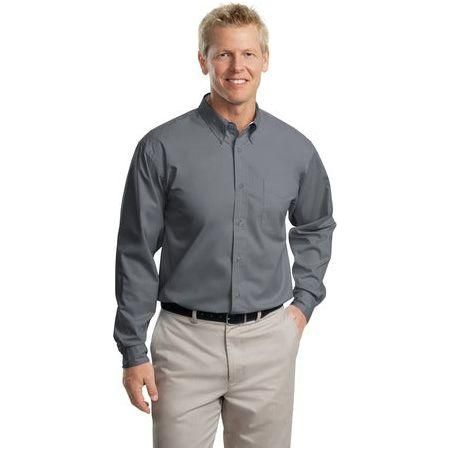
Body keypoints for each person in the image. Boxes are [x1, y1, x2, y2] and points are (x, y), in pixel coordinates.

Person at [113, 3, 337, 447]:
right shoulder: (160, 148)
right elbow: (135, 250)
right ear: (203, 60)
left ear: (265, 59)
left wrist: (304, 303)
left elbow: (316, 224)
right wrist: (132, 349)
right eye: (223, 54)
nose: (237, 67)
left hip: (269, 341)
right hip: (184, 344)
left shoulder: (296, 150)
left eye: (249, 54)